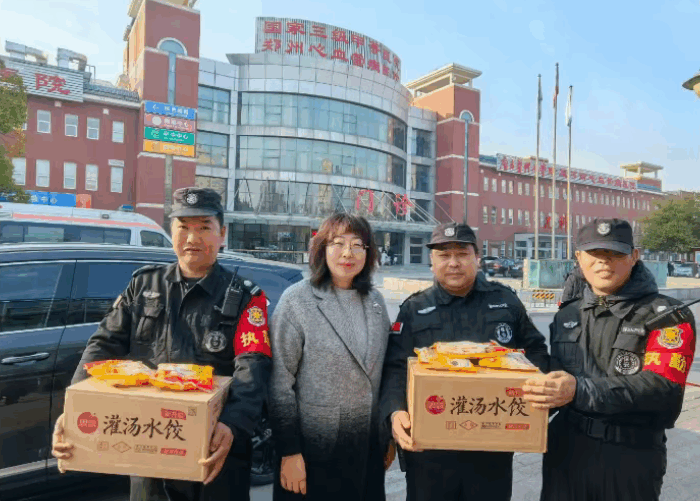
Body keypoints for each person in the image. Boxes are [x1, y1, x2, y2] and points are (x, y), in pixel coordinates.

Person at [51, 187, 272, 501]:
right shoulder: (143, 286)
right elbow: (102, 346)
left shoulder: (246, 297)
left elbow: (253, 368)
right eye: (183, 227)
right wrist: (76, 407)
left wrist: (233, 425)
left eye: (204, 227)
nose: (192, 238)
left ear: (222, 233)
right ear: (171, 231)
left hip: (216, 452)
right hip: (149, 448)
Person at [523, 218, 697, 501]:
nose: (604, 261)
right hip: (564, 453)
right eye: (595, 253)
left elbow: (663, 388)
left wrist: (578, 390)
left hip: (630, 457)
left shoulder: (667, 315)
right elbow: (558, 375)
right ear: (579, 257)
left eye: (615, 253)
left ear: (634, 256)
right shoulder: (567, 314)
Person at [380, 222, 549, 501]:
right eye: (444, 255)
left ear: (477, 258)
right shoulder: (414, 308)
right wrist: (395, 412)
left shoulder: (505, 301)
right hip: (429, 451)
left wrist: (531, 391)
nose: (453, 263)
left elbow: (537, 352)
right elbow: (396, 368)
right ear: (432, 261)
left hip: (491, 450)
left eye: (462, 254)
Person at [269, 213, 393, 501]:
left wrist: (386, 437)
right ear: (322, 249)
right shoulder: (297, 300)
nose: (348, 253)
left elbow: (385, 372)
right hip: (313, 450)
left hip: (366, 449)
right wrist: (289, 452)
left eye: (357, 245)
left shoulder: (375, 301)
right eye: (338, 243)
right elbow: (278, 382)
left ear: (368, 253)